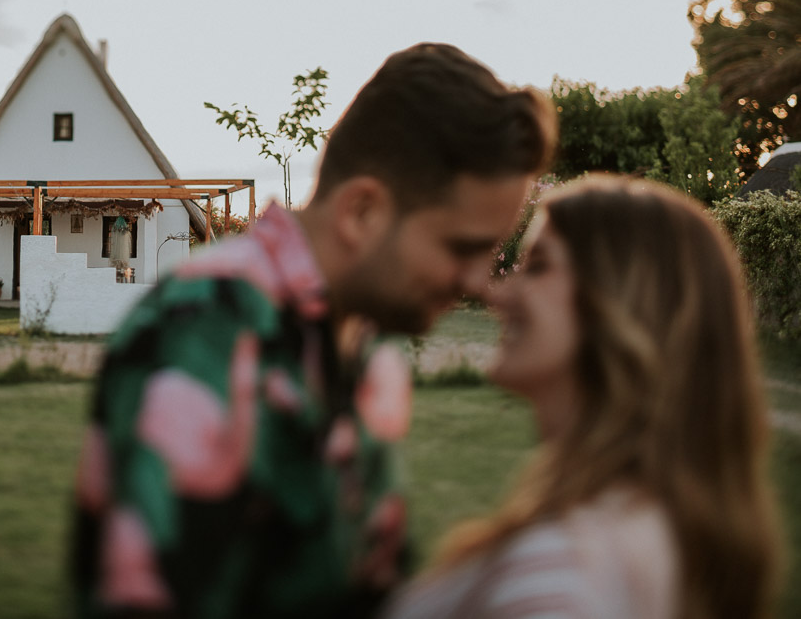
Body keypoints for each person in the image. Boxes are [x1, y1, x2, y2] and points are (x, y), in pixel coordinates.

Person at [70, 43, 558, 619]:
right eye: (463, 248)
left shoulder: (375, 352)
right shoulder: (206, 327)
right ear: (362, 213)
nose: (481, 282)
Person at [380, 175, 780, 619]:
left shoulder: (556, 576)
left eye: (538, 266)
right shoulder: (660, 528)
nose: (495, 293)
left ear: (619, 300)